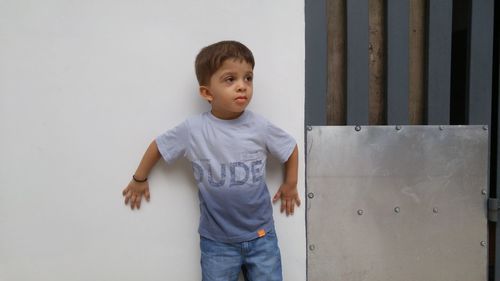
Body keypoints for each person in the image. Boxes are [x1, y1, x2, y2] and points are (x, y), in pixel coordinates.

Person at [122, 40, 300, 281]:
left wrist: (290, 184)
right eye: (230, 79)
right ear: (207, 92)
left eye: (248, 78)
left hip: (261, 237)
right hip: (217, 243)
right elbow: (158, 146)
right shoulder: (193, 130)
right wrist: (138, 179)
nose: (242, 87)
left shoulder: (260, 127)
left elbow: (290, 148)